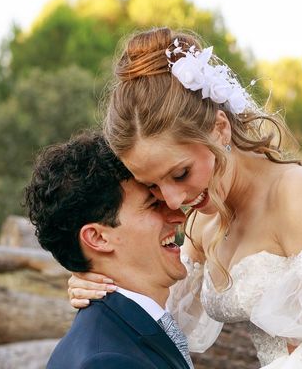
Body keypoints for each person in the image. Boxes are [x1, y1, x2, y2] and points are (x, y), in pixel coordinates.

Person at [69, 28, 302, 368]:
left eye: (180, 174)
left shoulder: (295, 193)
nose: (174, 201)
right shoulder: (202, 221)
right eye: (154, 187)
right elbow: (166, 319)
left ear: (220, 128)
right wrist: (98, 282)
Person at [24, 131, 193, 369]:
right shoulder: (107, 361)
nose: (178, 215)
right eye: (154, 204)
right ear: (98, 238)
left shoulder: (119, 331)